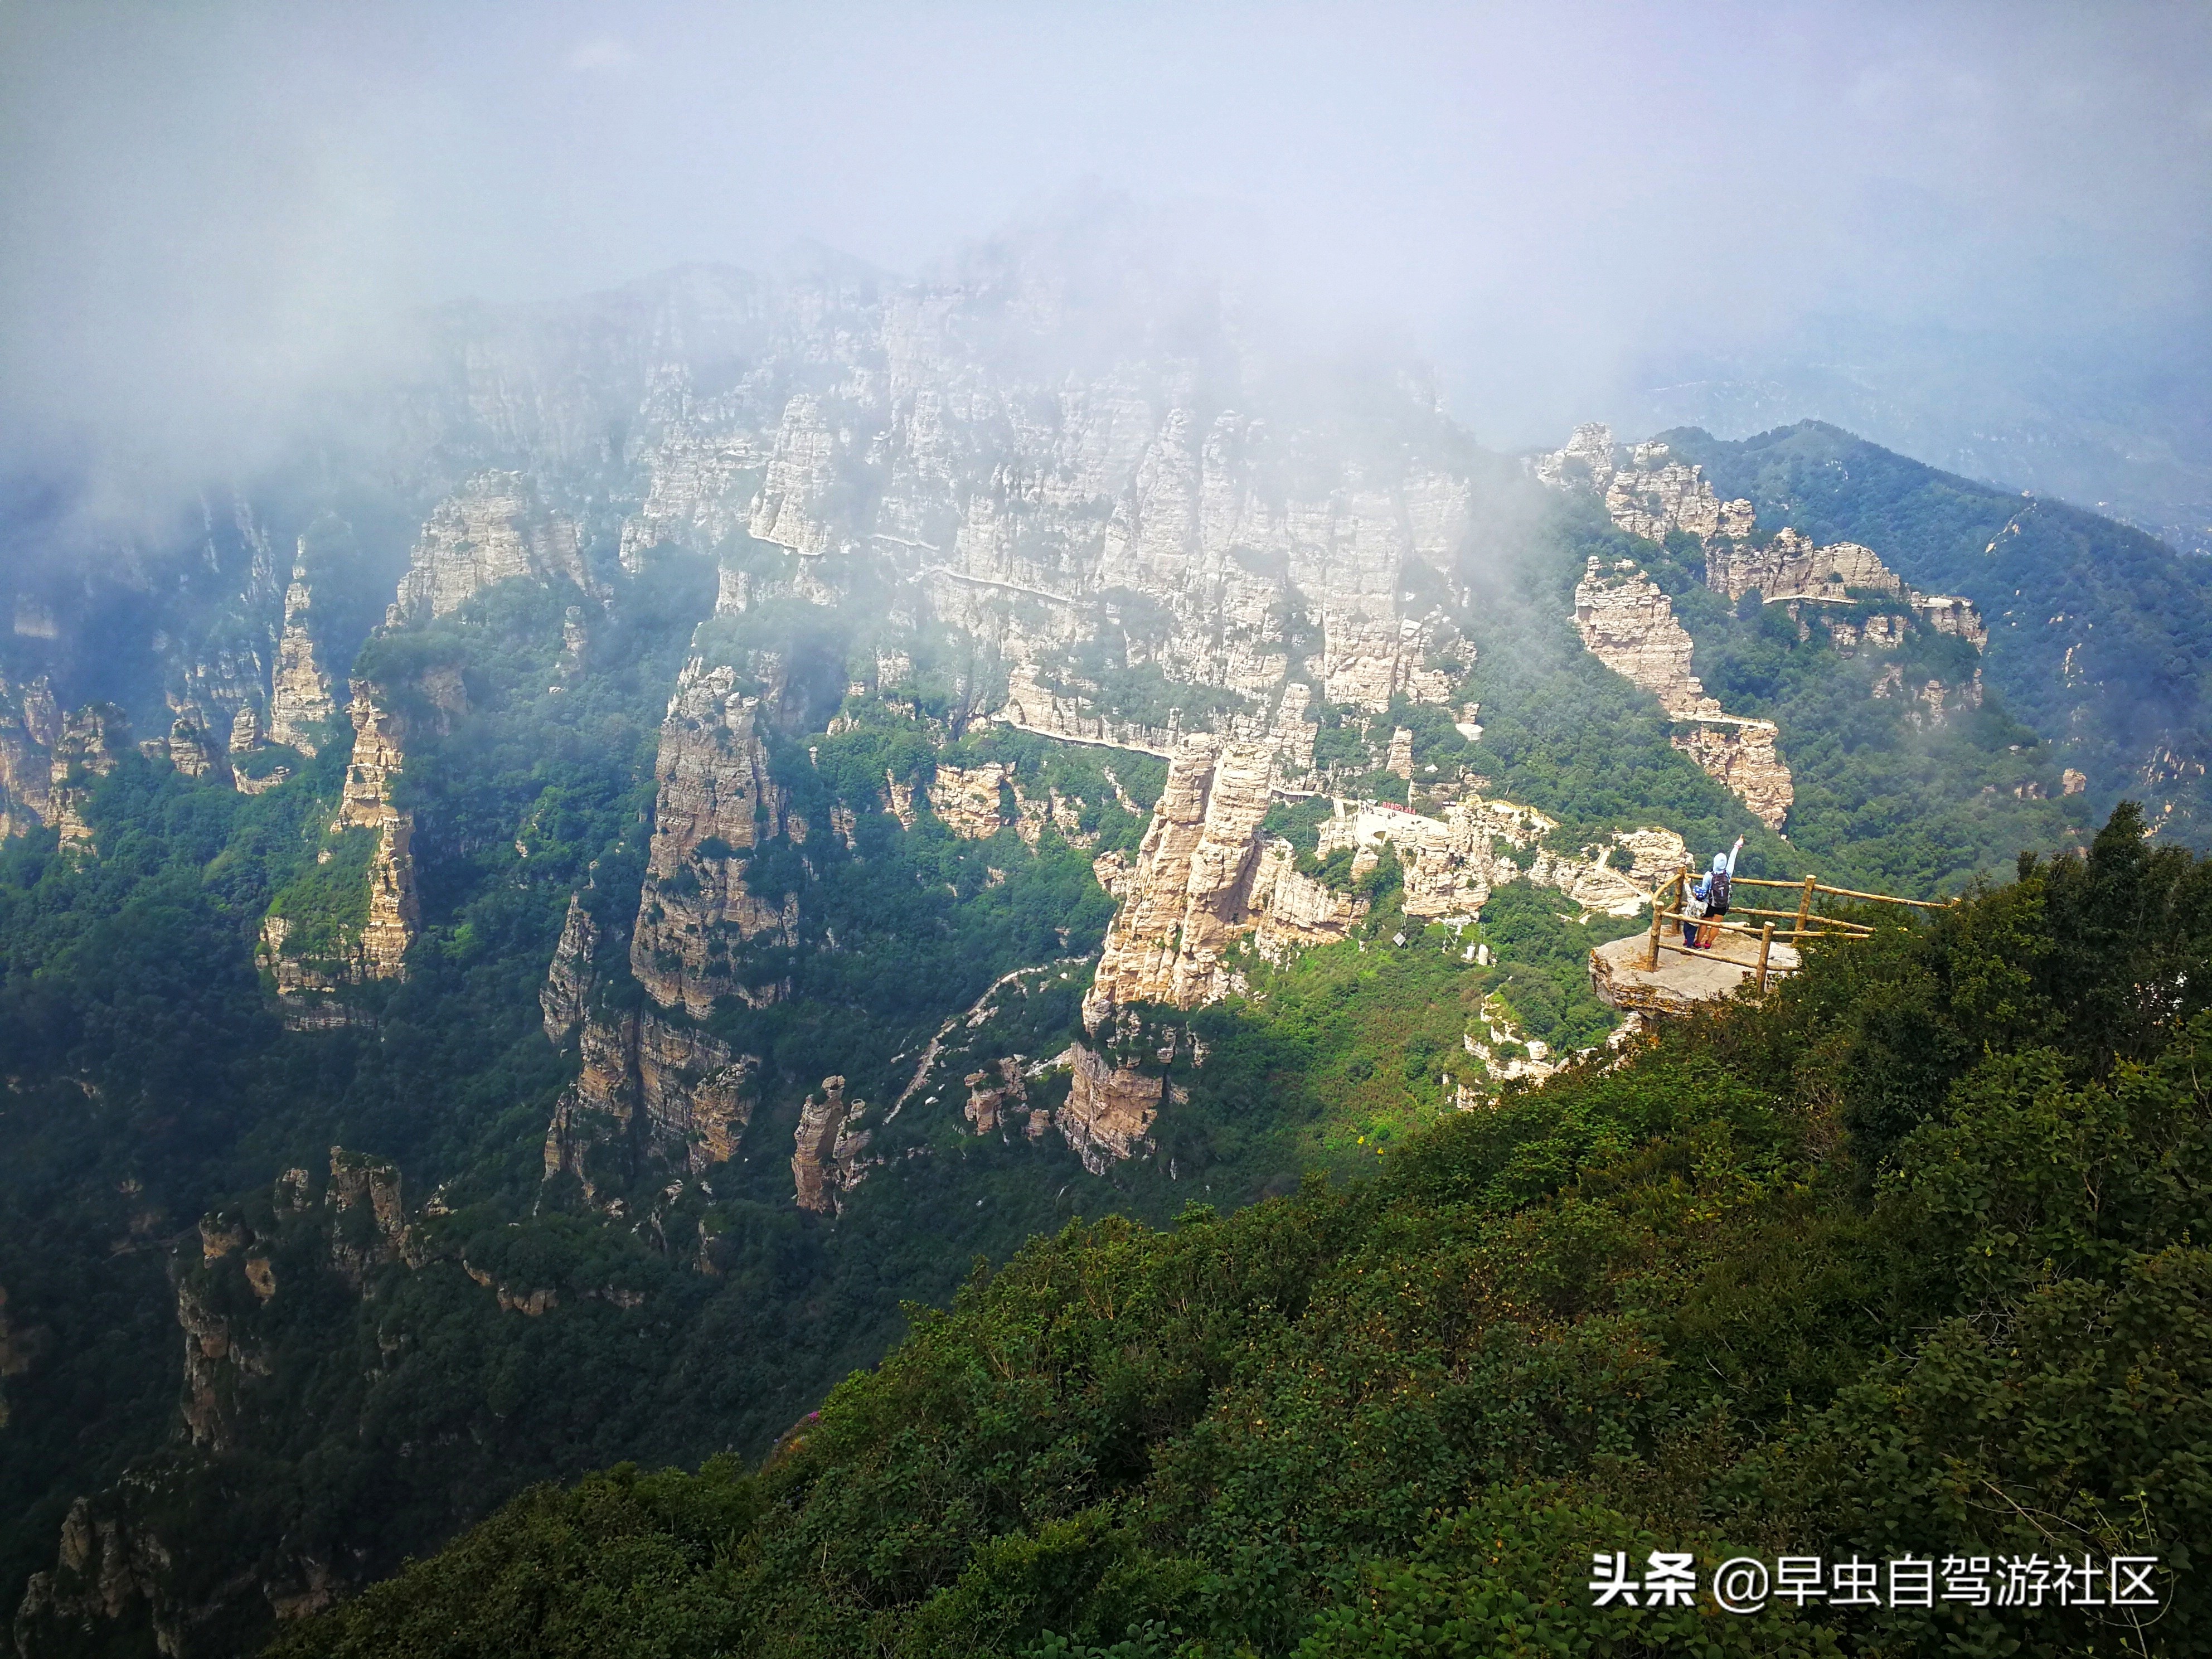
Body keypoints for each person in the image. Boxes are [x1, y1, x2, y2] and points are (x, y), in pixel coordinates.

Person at [1687, 836, 1744, 949]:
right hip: (1723, 904)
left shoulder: (1709, 875)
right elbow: (1733, 859)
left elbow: (1704, 891)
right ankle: (1708, 944)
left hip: (1710, 903)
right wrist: (1738, 845)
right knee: (1716, 924)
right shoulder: (1728, 874)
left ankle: (1698, 943)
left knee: (1705, 923)